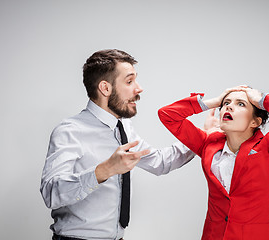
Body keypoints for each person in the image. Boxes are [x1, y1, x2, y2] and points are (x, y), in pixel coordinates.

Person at [40, 49, 207, 240]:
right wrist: (105, 170)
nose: (139, 88)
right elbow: (51, 193)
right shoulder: (70, 131)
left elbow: (160, 162)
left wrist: (202, 136)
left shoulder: (124, 127)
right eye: (129, 81)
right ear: (105, 88)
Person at [158, 86, 269, 240]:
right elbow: (167, 114)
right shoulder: (208, 143)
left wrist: (261, 99)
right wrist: (214, 102)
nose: (228, 106)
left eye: (241, 104)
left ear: (255, 121)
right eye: (226, 103)